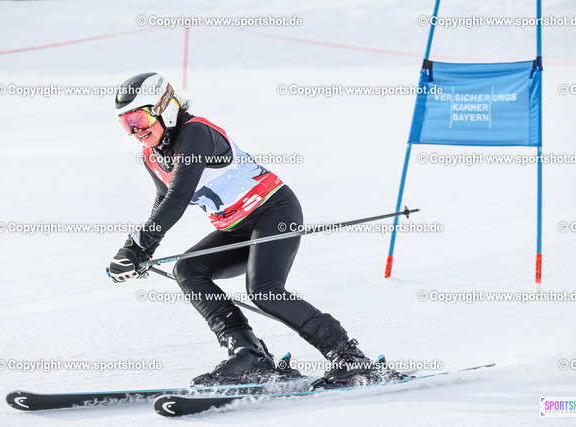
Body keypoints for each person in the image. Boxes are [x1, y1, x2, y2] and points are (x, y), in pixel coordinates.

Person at [107, 72, 380, 387]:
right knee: (188, 269)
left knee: (264, 290)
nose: (135, 130)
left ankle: (349, 357)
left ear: (165, 108)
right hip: (235, 228)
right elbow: (163, 200)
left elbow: (178, 199)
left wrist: (134, 246)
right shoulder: (151, 156)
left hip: (273, 211)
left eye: (139, 118)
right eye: (126, 123)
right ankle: (248, 354)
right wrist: (142, 252)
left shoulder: (195, 133)